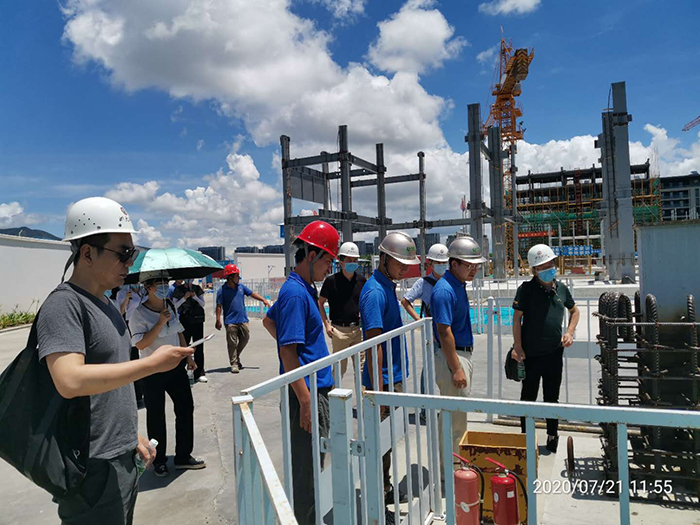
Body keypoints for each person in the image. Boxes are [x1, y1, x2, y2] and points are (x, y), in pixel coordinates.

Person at [38, 196, 194, 524]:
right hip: (92, 467)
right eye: (123, 253)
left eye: (132, 254)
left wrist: (130, 436)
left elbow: (109, 385)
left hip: (121, 458)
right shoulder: (64, 305)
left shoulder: (107, 305)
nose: (129, 263)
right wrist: (153, 364)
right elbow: (70, 381)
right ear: (87, 253)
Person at [261, 220, 338, 525]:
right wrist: (305, 401)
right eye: (328, 261)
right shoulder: (295, 293)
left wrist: (296, 347)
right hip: (307, 392)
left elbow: (269, 321)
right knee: (307, 472)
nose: (329, 268)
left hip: (311, 387)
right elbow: (287, 352)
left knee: (312, 464)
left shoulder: (302, 288)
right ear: (311, 255)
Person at [360, 231, 420, 514]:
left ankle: (383, 487)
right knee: (380, 442)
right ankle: (378, 498)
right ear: (383, 258)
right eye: (399, 263)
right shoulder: (374, 292)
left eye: (406, 264)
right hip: (383, 380)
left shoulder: (387, 287)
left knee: (388, 440)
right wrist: (379, 390)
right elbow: (375, 345)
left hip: (392, 377)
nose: (404, 269)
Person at [129, 278, 206, 477]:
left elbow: (179, 332)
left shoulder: (170, 305)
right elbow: (140, 344)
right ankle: (159, 460)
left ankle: (183, 456)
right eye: (159, 284)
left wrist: (188, 356)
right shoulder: (138, 313)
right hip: (152, 371)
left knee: (185, 408)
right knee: (156, 416)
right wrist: (160, 323)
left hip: (175, 368)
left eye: (165, 282)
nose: (164, 287)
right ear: (148, 287)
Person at [512, 244, 580, 453]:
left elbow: (575, 311)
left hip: (554, 353)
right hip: (531, 354)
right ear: (534, 269)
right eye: (543, 266)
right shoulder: (526, 290)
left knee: (552, 397)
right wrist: (517, 346)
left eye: (550, 264)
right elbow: (516, 319)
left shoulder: (561, 289)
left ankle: (552, 435)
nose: (548, 269)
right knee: (528, 398)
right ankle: (525, 438)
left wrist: (569, 332)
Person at [430, 236, 486, 459]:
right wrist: (456, 368)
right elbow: (444, 332)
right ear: (454, 264)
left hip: (460, 355)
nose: (474, 270)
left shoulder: (457, 285)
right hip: (453, 358)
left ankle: (453, 466)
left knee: (455, 416)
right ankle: (451, 471)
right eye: (469, 265)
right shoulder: (445, 291)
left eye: (476, 265)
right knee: (454, 422)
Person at [401, 242, 449, 421]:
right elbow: (405, 301)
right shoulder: (423, 283)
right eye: (438, 262)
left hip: (448, 331)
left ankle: (446, 407)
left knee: (448, 369)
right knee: (428, 371)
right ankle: (424, 410)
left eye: (444, 262)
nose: (441, 265)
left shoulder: (450, 281)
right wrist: (419, 321)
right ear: (430, 263)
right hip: (432, 334)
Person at [318, 241, 366, 379]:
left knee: (362, 370)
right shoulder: (331, 281)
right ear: (341, 261)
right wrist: (327, 325)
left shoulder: (362, 281)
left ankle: (364, 393)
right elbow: (320, 303)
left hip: (358, 330)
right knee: (339, 370)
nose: (353, 263)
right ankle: (333, 393)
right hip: (339, 331)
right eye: (349, 260)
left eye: (355, 260)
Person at [215, 264, 270, 373]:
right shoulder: (222, 290)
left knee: (245, 338)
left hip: (242, 319)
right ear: (230, 277)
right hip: (230, 321)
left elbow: (252, 294)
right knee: (232, 343)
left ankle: (236, 356)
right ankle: (234, 363)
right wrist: (218, 320)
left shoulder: (241, 287)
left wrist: (263, 299)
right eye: (236, 276)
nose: (238, 278)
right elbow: (219, 306)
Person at [172, 279, 208, 383]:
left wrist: (195, 297)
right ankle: (182, 371)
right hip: (185, 320)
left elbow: (202, 304)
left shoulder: (197, 289)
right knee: (184, 346)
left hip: (197, 320)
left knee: (199, 346)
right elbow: (174, 306)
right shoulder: (178, 290)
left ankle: (199, 372)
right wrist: (184, 298)